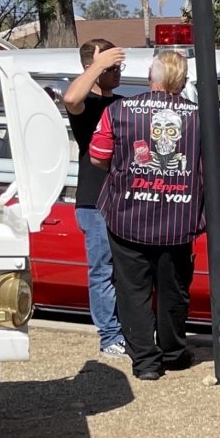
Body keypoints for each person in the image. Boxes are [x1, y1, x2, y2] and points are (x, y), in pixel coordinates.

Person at [87, 48, 208, 381]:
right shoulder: (201, 116)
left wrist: (125, 170)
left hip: (127, 216)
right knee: (174, 290)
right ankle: (173, 353)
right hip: (179, 219)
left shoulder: (118, 110)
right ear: (182, 82)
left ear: (149, 77)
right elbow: (216, 161)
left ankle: (145, 363)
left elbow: (97, 156)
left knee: (132, 291)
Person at [60, 41, 128, 358]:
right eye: (111, 68)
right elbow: (70, 98)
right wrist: (98, 65)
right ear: (91, 67)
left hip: (126, 200)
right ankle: (110, 335)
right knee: (103, 270)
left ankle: (130, 330)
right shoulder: (85, 104)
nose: (117, 74)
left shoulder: (124, 105)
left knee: (127, 271)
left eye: (118, 68)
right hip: (95, 201)